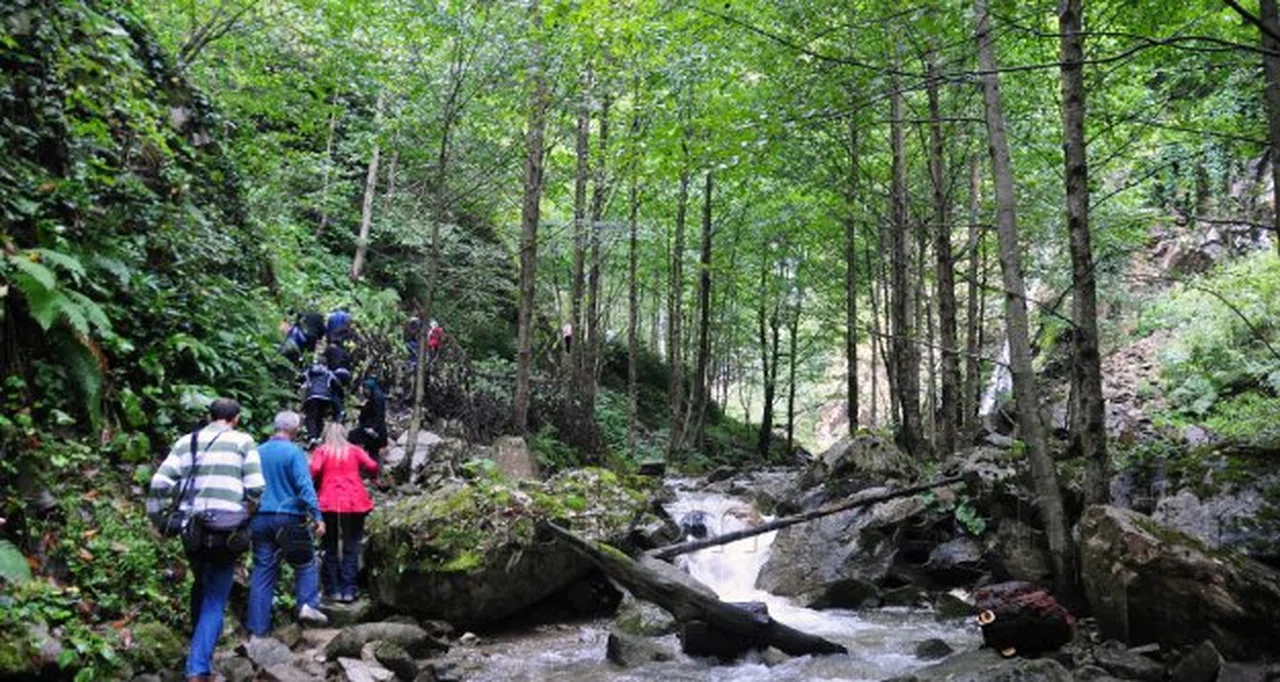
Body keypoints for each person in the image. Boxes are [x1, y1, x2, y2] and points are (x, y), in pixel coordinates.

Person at [147, 398, 263, 682]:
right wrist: (248, 509)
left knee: (201, 583)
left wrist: (158, 518)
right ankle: (197, 668)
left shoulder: (187, 441)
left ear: (210, 416)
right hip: (227, 531)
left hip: (193, 531)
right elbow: (256, 486)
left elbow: (160, 483)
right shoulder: (243, 442)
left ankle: (198, 651)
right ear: (236, 418)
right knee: (215, 597)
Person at [247, 411, 328, 638]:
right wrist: (317, 516)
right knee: (305, 562)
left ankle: (257, 631)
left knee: (263, 572)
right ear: (294, 429)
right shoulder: (294, 452)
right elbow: (304, 486)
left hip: (260, 518)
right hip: (288, 517)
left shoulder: (257, 451)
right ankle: (307, 604)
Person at [310, 423, 378, 602]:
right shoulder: (354, 450)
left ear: (325, 435)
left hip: (329, 501)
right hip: (354, 501)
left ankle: (333, 590)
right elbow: (372, 466)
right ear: (344, 434)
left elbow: (314, 470)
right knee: (351, 545)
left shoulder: (322, 451)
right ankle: (349, 590)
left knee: (330, 545)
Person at [301, 362, 342, 443]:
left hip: (311, 396)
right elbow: (337, 384)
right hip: (325, 397)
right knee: (320, 416)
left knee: (311, 416)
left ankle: (312, 436)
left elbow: (301, 379)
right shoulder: (329, 373)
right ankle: (319, 436)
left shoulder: (309, 371)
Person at [349, 377, 388, 461]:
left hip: (373, 429)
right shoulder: (373, 397)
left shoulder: (377, 398)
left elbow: (379, 415)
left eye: (366, 389)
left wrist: (373, 429)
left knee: (352, 437)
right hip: (371, 427)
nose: (365, 391)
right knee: (372, 450)